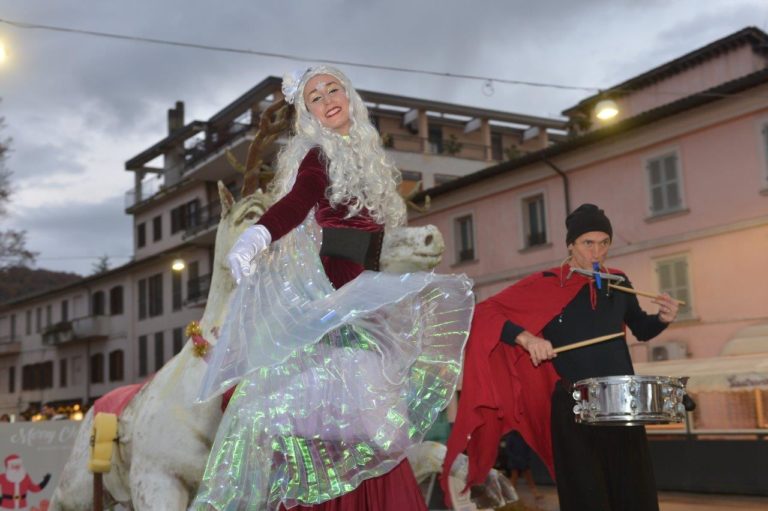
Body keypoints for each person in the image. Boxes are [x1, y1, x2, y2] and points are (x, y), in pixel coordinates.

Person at [192, 65, 473, 511]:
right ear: (308, 114)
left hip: (365, 305)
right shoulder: (319, 155)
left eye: (332, 89)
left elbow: (373, 249)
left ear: (349, 95)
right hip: (336, 309)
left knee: (369, 438)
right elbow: (297, 201)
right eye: (315, 97)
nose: (327, 100)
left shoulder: (364, 158)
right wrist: (257, 235)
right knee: (352, 437)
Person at [442, 204, 679, 511]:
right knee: (586, 497)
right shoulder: (547, 283)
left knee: (634, 493)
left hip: (622, 404)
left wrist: (662, 319)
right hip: (574, 406)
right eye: (588, 243)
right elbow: (485, 312)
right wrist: (527, 339)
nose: (597, 252)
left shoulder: (618, 282)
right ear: (571, 244)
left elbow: (642, 329)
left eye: (604, 243)